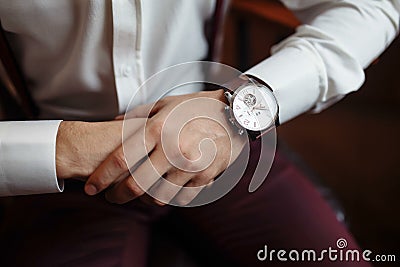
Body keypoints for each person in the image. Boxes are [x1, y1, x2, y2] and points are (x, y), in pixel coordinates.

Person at [0, 0, 398, 266]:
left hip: (220, 131)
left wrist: (247, 104)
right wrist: (62, 148)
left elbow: (372, 6)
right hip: (62, 174)